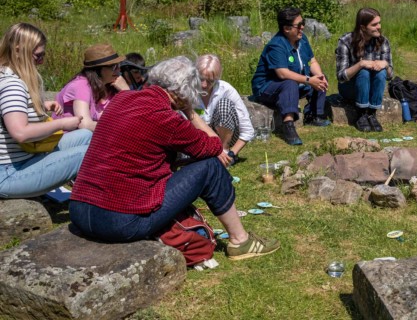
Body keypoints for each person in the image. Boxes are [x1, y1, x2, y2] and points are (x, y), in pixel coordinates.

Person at [69, 56, 279, 261]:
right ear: (184, 93)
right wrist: (190, 112)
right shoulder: (166, 119)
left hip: (79, 210)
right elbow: (215, 147)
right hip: (120, 221)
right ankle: (240, 240)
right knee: (210, 167)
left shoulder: (122, 99)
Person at [0, 23, 91, 199]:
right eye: (38, 56)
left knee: (85, 136)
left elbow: (12, 109)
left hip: (24, 158)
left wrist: (40, 106)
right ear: (19, 51)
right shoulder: (12, 85)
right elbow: (20, 133)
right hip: (9, 173)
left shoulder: (6, 75)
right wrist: (62, 123)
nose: (41, 61)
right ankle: (94, 203)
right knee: (85, 153)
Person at [250, 7, 330, 146]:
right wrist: (308, 80)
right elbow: (282, 73)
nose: (303, 27)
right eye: (299, 25)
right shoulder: (276, 45)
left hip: (292, 83)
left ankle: (314, 115)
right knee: (290, 83)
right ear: (286, 28)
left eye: (303, 22)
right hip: (267, 87)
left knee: (321, 77)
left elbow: (312, 61)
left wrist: (318, 76)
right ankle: (288, 126)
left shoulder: (302, 39)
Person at [335, 8, 393, 132]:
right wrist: (360, 64)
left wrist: (386, 65)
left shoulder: (383, 41)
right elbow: (341, 76)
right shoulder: (345, 41)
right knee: (364, 71)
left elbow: (389, 76)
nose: (379, 27)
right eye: (374, 24)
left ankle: (372, 113)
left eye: (379, 23)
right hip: (351, 88)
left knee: (381, 71)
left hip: (372, 86)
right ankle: (361, 113)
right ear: (362, 27)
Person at [196, 54, 254, 166]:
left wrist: (232, 153)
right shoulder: (188, 89)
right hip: (199, 138)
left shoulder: (226, 89)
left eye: (210, 81)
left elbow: (248, 130)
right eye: (201, 79)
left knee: (224, 105)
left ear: (217, 79)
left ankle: (225, 153)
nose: (204, 85)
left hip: (225, 134)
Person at [55, 43, 130, 131]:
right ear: (97, 70)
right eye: (113, 67)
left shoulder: (111, 87)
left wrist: (126, 91)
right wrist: (118, 129)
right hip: (68, 138)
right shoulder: (81, 85)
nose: (118, 70)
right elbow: (85, 124)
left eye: (119, 65)